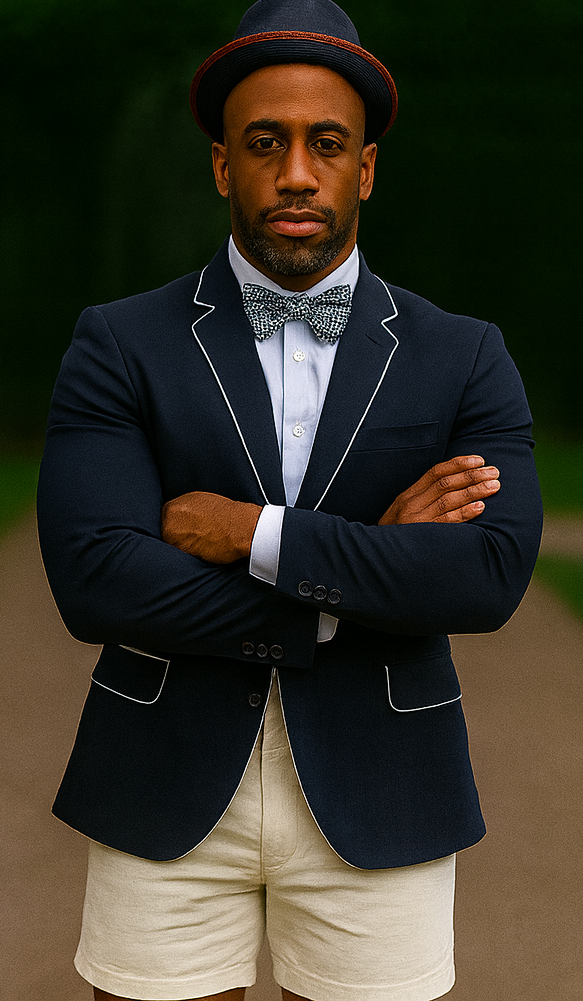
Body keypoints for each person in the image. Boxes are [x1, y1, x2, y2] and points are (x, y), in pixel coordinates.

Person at [36, 1, 543, 999]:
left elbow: (484, 578)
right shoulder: (118, 342)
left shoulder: (462, 353)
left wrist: (251, 532)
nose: (297, 173)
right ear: (224, 165)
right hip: (160, 783)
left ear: (366, 167)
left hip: (386, 782)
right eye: (265, 143)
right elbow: (98, 581)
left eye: (327, 144)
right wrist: (364, 567)